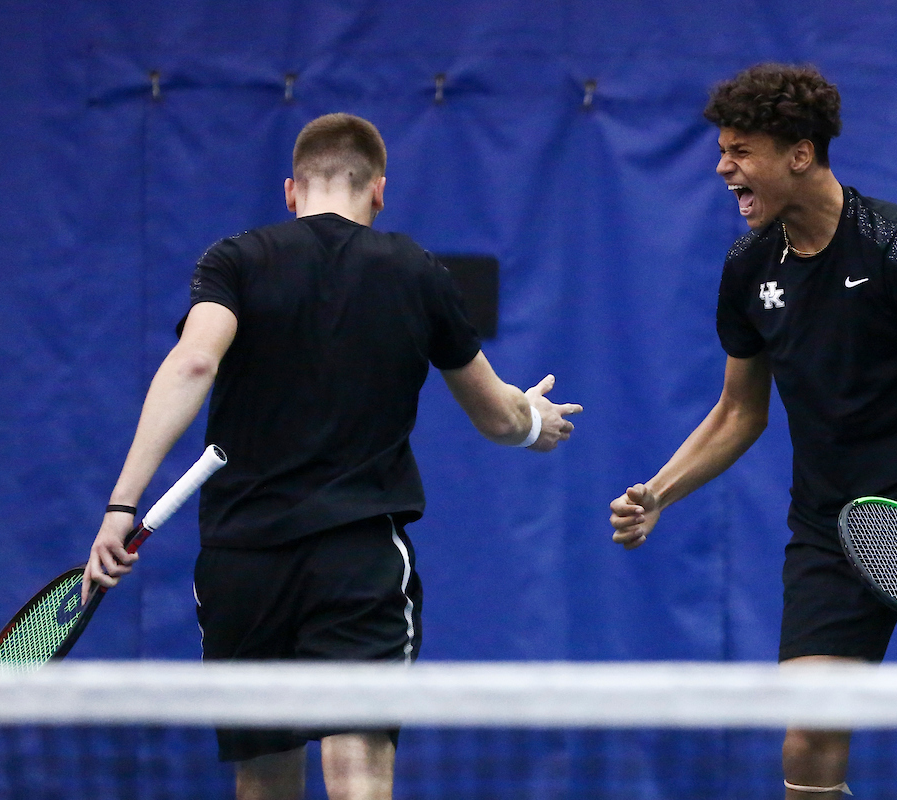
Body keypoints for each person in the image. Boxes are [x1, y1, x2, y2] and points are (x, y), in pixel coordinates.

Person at [83, 112, 582, 800]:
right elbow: (497, 414)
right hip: (358, 556)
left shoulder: (234, 260)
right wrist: (535, 422)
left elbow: (194, 361)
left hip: (242, 560)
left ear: (291, 191)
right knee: (357, 769)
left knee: (263, 776)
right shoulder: (417, 271)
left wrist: (121, 505)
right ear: (379, 190)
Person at [608, 64, 897, 799]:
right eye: (723, 150)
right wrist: (659, 495)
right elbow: (739, 413)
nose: (722, 167)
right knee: (807, 741)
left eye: (740, 151)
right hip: (827, 528)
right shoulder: (748, 269)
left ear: (799, 154)